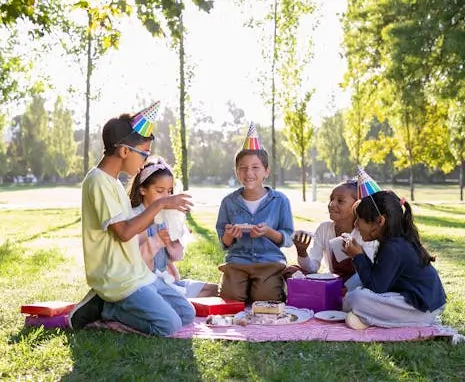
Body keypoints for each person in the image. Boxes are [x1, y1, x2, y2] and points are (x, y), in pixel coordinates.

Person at [70, 101, 196, 336]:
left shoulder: (115, 183)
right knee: (169, 326)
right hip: (118, 279)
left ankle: (116, 306)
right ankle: (108, 309)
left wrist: (169, 220)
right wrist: (161, 203)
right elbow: (124, 232)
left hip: (138, 272)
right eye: (144, 154)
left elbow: (135, 228)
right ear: (125, 151)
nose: (144, 162)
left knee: (186, 314)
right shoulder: (97, 181)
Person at [342, 170, 446, 329]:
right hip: (415, 301)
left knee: (357, 297)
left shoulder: (393, 247)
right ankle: (368, 318)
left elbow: (376, 287)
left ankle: (368, 318)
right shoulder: (394, 241)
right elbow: (380, 280)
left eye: (359, 220)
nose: (355, 225)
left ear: (379, 221)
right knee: (355, 283)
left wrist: (358, 256)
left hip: (421, 309)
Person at [215, 122, 294, 303]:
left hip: (269, 262)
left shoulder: (280, 201)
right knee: (231, 300)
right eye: (243, 167)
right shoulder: (228, 202)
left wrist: (268, 232)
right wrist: (229, 235)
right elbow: (224, 243)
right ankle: (243, 286)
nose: (248, 172)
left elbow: (287, 238)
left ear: (266, 171)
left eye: (255, 167)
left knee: (266, 300)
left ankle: (262, 286)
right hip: (237, 262)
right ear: (236, 171)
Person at [129, 158, 219, 298]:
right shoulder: (134, 217)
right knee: (183, 303)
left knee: (218, 290)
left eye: (169, 191)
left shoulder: (167, 216)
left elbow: (177, 256)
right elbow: (135, 262)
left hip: (167, 280)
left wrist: (176, 240)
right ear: (142, 189)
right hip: (145, 284)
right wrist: (157, 240)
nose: (166, 197)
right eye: (160, 191)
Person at [286, 179, 379, 287]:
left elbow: (366, 274)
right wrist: (302, 252)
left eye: (340, 201)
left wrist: (343, 289)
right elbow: (312, 268)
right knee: (291, 271)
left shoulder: (364, 234)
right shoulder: (324, 228)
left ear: (357, 205)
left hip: (358, 286)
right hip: (333, 283)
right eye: (331, 199)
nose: (331, 204)